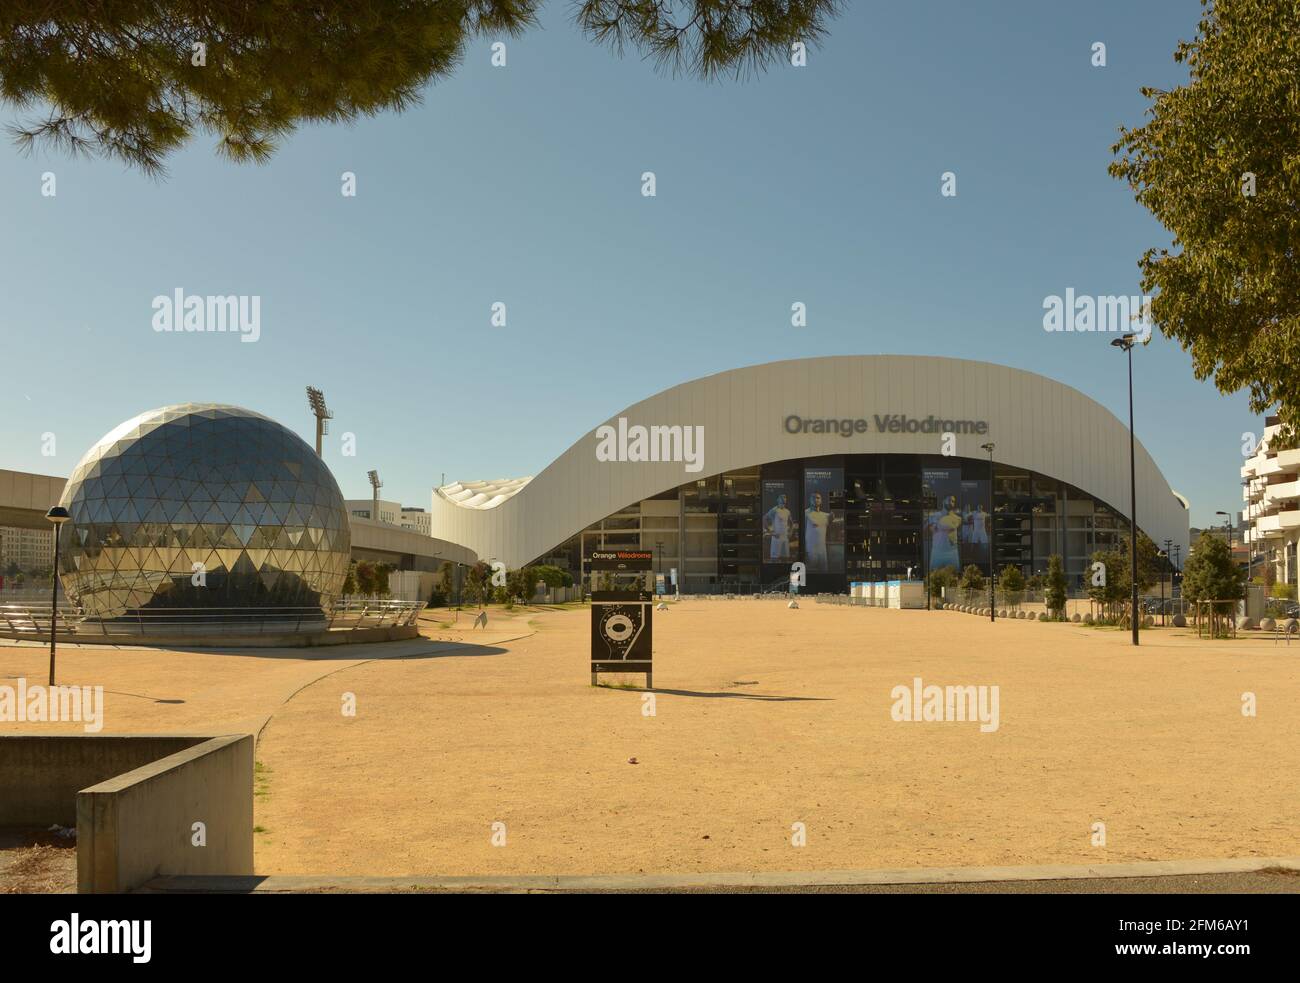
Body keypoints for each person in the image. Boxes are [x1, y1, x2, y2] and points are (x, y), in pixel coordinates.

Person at [927, 495, 962, 570]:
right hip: (937, 552)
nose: (951, 503)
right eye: (949, 500)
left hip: (952, 552)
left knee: (955, 576)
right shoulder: (934, 515)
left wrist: (938, 525)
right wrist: (937, 525)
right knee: (934, 576)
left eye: (953, 501)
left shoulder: (957, 518)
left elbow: (953, 526)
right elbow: (931, 529)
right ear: (943, 501)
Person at [805, 491, 831, 571]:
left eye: (818, 498)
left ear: (821, 500)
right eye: (813, 498)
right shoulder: (805, 513)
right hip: (810, 551)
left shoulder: (826, 515)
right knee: (810, 574)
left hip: (823, 552)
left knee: (824, 573)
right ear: (810, 500)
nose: (816, 500)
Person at [764, 493, 793, 560]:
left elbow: (791, 523)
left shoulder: (787, 511)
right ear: (778, 500)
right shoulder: (774, 510)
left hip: (785, 538)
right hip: (776, 538)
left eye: (785, 497)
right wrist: (770, 532)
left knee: (785, 559)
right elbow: (764, 518)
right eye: (781, 497)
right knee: (775, 559)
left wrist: (790, 532)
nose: (783, 498)